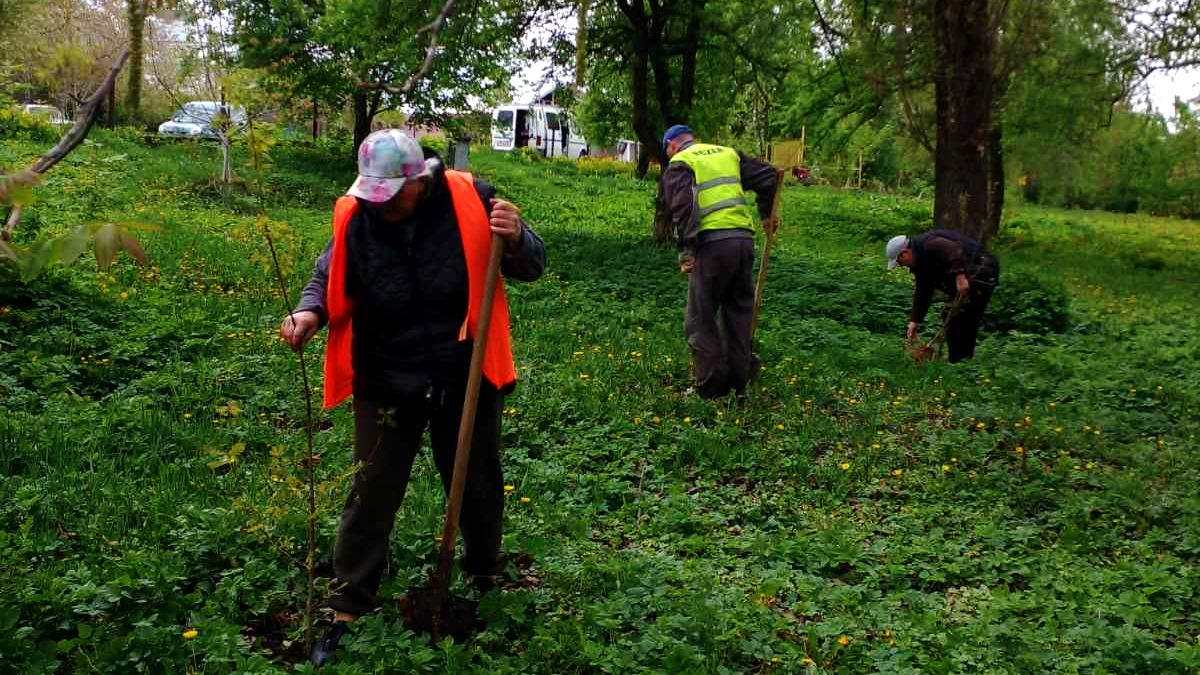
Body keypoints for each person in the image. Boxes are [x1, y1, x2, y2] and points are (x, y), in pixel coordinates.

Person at [279, 129, 546, 665]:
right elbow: (328, 271)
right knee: (371, 489)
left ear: (419, 180)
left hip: (461, 373)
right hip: (385, 373)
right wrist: (310, 310)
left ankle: (483, 574)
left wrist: (516, 237)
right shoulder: (359, 213)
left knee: (476, 482)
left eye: (390, 194)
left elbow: (532, 264)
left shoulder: (472, 198)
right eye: (371, 193)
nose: (381, 205)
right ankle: (349, 601)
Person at [660, 124, 779, 399]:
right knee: (738, 313)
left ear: (671, 146)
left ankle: (712, 388)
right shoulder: (728, 154)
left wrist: (687, 250)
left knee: (699, 318)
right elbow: (770, 176)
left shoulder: (680, 163)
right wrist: (765, 214)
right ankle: (739, 383)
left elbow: (684, 205)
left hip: (712, 245)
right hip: (743, 241)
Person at [885, 230, 1000, 362]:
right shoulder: (921, 262)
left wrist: (960, 276)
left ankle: (961, 364)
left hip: (982, 270)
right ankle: (961, 361)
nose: (901, 266)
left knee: (963, 317)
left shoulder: (929, 243)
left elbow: (953, 249)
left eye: (899, 262)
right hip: (970, 273)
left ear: (905, 253)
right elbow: (923, 290)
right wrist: (914, 321)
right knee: (953, 315)